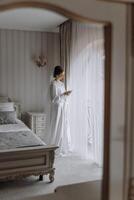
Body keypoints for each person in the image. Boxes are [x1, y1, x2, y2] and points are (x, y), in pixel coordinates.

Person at [49, 66, 72, 155]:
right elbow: (53, 99)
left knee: (63, 126)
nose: (63, 75)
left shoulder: (61, 84)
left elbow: (63, 96)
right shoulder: (53, 84)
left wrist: (66, 94)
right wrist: (63, 94)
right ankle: (54, 145)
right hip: (57, 108)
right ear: (58, 74)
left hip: (63, 107)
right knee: (56, 126)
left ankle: (63, 145)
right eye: (62, 74)